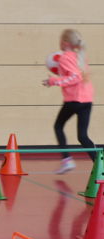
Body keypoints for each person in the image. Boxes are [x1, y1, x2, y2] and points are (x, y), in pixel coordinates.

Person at [42, 29, 96, 174]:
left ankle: (67, 160)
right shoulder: (80, 56)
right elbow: (78, 76)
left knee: (58, 126)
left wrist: (53, 81)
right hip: (87, 100)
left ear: (65, 43)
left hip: (74, 100)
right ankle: (100, 165)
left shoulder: (65, 58)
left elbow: (75, 77)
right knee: (83, 136)